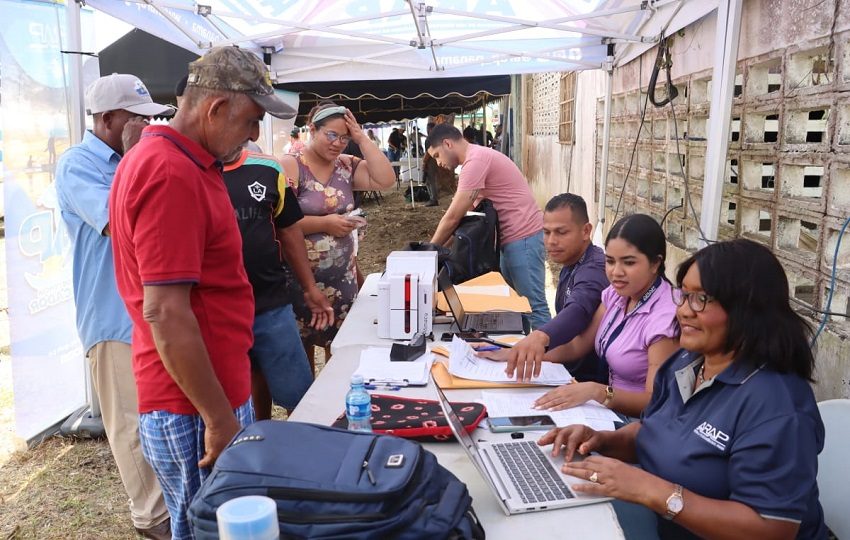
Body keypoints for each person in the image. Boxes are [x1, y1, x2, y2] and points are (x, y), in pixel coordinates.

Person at [109, 46, 297, 540]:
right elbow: (166, 313)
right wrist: (217, 419)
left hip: (204, 391)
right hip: (192, 403)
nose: (255, 134)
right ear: (215, 109)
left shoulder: (188, 163)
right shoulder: (169, 171)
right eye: (252, 119)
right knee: (207, 529)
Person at [543, 238, 827, 539]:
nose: (684, 311)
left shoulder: (776, 406)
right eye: (684, 295)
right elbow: (656, 430)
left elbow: (771, 529)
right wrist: (601, 440)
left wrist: (653, 491)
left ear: (748, 309)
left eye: (701, 298)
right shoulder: (687, 363)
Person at [55, 73, 171, 540]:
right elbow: (122, 222)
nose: (148, 128)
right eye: (138, 120)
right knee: (129, 424)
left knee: (157, 419)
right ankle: (152, 519)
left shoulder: (127, 160)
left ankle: (172, 506)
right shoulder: (78, 165)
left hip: (145, 312)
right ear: (108, 120)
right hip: (111, 318)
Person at [520, 214, 679, 416]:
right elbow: (578, 345)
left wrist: (598, 391)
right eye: (610, 261)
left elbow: (654, 402)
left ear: (656, 263)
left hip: (636, 423)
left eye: (629, 263)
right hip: (607, 408)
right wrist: (522, 354)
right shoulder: (617, 294)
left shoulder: (665, 317)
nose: (616, 272)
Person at [221, 145, 334, 420]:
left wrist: (310, 287)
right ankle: (259, 442)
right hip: (219, 311)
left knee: (298, 395)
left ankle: (306, 449)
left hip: (271, 303)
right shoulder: (193, 172)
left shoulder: (268, 169)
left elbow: (289, 230)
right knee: (238, 396)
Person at [280, 102, 395, 367]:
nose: (337, 143)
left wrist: (361, 139)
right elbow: (279, 224)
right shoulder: (291, 167)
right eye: (331, 135)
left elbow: (386, 180)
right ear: (312, 129)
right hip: (299, 282)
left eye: (344, 138)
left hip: (342, 281)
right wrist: (325, 224)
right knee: (301, 357)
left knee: (342, 355)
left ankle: (339, 408)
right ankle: (301, 410)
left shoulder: (347, 166)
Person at [425, 123, 551, 329]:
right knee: (514, 307)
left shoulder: (475, 161)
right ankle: (524, 352)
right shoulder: (475, 159)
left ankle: (549, 358)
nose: (438, 163)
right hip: (510, 240)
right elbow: (466, 217)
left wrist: (427, 253)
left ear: (447, 144)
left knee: (533, 307)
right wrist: (439, 249)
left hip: (523, 237)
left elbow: (453, 217)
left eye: (437, 155)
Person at [481, 194, 609, 383]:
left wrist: (540, 337)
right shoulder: (571, 260)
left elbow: (578, 309)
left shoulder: (594, 269)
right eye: (546, 232)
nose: (551, 241)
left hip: (585, 381)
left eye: (561, 232)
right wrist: (516, 352)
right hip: (564, 368)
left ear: (586, 231)